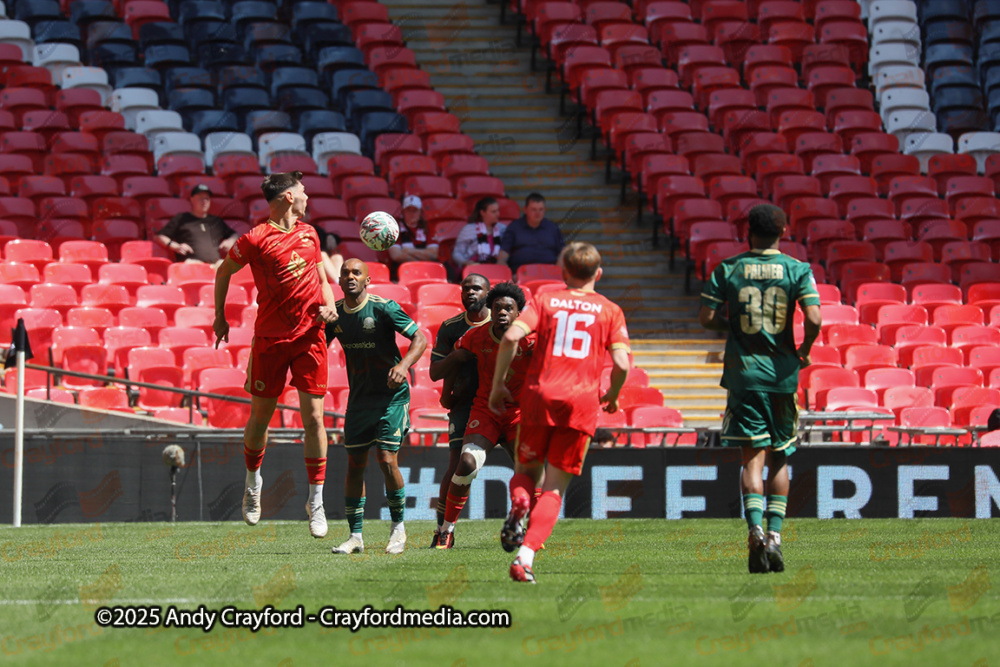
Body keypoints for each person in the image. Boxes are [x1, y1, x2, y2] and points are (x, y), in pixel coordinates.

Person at [489, 242, 630, 583]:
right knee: (553, 489)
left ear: (564, 272)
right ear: (598, 273)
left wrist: (498, 386)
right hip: (580, 404)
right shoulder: (610, 310)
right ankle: (525, 559)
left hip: (539, 397)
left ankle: (519, 503)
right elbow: (622, 363)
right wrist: (612, 396)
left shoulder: (546, 300)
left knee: (526, 471)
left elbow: (509, 337)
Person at [212, 171, 339, 539]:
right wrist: (219, 317)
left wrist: (330, 307)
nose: (306, 195)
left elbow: (321, 279)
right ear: (286, 197)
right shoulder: (256, 239)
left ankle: (315, 501)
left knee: (314, 418)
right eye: (301, 190)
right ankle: (253, 481)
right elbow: (224, 272)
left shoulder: (311, 233)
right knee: (260, 418)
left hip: (311, 337)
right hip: (270, 338)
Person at [698, 203, 822, 574]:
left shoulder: (729, 268)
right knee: (780, 455)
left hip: (744, 374)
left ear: (747, 230)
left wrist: (733, 327)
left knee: (751, 459)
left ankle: (753, 530)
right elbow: (815, 317)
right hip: (782, 376)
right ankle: (775, 537)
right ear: (784, 231)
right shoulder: (797, 269)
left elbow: (705, 318)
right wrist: (803, 350)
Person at [327, 258, 428, 555]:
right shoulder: (335, 315)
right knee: (355, 465)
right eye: (345, 272)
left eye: (356, 273)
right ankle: (355, 537)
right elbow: (317, 347)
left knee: (386, 459)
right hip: (359, 400)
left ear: (367, 280)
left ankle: (398, 529)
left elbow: (420, 339)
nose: (350, 276)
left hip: (391, 396)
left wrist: (404, 365)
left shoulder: (384, 308)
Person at [432, 282, 534, 549]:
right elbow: (456, 360)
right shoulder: (476, 337)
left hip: (519, 414)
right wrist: (447, 393)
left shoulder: (532, 339)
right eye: (497, 307)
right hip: (485, 412)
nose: (502, 312)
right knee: (465, 463)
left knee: (530, 471)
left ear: (518, 313)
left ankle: (527, 530)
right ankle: (446, 531)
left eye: (508, 308)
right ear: (490, 308)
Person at [427, 273, 492, 547]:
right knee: (456, 465)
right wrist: (456, 356)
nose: (470, 293)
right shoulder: (451, 327)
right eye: (465, 289)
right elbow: (433, 373)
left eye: (476, 288)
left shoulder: (505, 323)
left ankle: (530, 529)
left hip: (504, 402)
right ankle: (443, 531)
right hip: (466, 404)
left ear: (488, 292)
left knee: (524, 462)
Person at [156, 184, 239, 265]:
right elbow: (159, 236)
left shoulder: (215, 221)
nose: (204, 202)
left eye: (207, 199)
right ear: (192, 199)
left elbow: (234, 235)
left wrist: (230, 241)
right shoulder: (181, 218)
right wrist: (175, 246)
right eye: (200, 198)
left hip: (215, 266)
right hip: (191, 265)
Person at [498, 193, 564, 275]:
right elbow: (504, 252)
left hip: (549, 273)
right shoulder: (514, 227)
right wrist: (507, 272)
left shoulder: (552, 228)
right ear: (525, 210)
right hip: (521, 274)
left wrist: (557, 270)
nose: (538, 213)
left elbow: (563, 252)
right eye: (534, 209)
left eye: (541, 209)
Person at [452, 197, 507, 271]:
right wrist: (466, 262)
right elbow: (457, 253)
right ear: (482, 213)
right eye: (493, 212)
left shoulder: (502, 229)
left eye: (498, 211)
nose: (498, 214)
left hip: (496, 269)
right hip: (473, 269)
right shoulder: (469, 229)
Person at [388, 195, 439, 265]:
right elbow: (396, 255)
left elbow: (433, 254)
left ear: (420, 212)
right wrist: (419, 262)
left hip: (426, 267)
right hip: (404, 268)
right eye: (408, 210)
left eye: (415, 210)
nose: (411, 214)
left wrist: (407, 251)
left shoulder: (428, 228)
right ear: (403, 212)